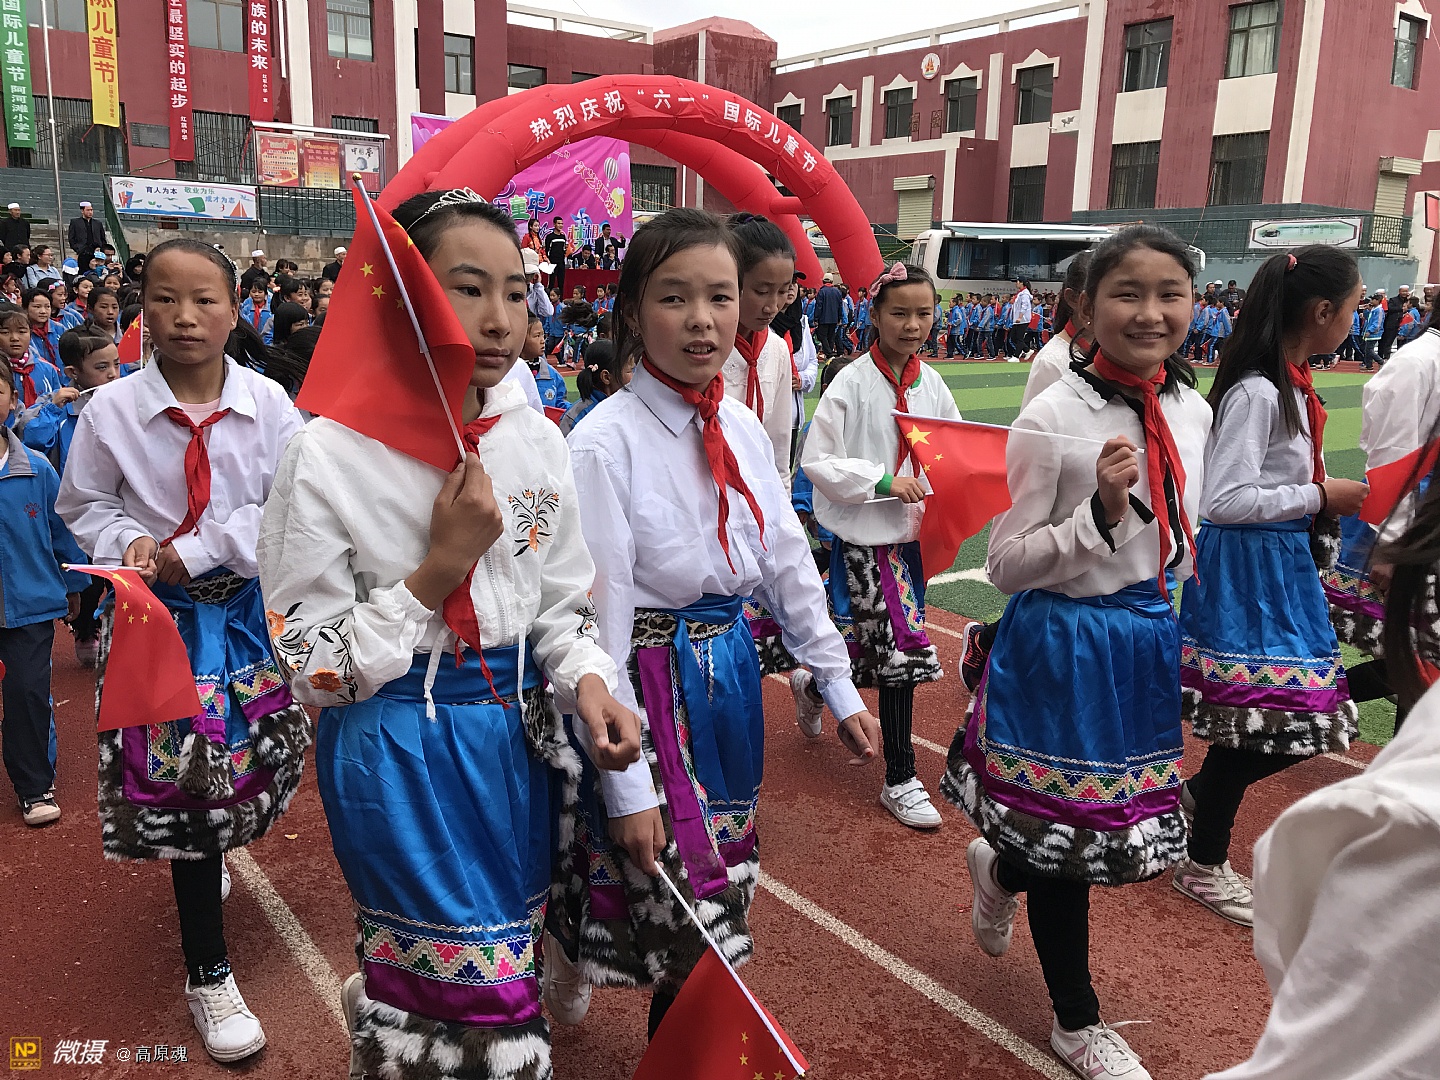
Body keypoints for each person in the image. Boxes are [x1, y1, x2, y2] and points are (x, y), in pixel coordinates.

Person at [257, 187, 640, 1080]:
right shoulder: (329, 452)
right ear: (404, 297)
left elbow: (560, 596)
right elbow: (310, 665)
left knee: (495, 959)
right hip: (400, 746)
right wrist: (438, 570)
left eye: (515, 291)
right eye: (468, 288)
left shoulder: (533, 438)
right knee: (486, 1017)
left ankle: (385, 1004)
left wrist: (588, 679)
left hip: (515, 739)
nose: (500, 318)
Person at [551, 206, 879, 1040]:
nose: (702, 320)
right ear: (633, 313)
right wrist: (627, 783)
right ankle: (575, 951)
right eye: (674, 298)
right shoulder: (603, 445)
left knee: (722, 877)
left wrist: (836, 682)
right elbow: (601, 624)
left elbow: (786, 559)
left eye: (720, 297)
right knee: (681, 904)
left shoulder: (737, 424)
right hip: (649, 682)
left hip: (727, 673)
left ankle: (576, 946)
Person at [943, 225, 1210, 1080]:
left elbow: (1185, 537)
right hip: (1067, 642)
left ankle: (1000, 868)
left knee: (1102, 831)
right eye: (1128, 293)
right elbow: (1005, 563)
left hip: (1142, 641)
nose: (1151, 312)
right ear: (1087, 307)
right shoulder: (1056, 414)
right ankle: (1075, 1021)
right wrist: (1100, 516)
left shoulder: (1190, 410)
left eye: (1170, 293)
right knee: (1071, 843)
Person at [54, 238, 309, 1063]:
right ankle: (209, 972)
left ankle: (216, 844)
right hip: (157, 625)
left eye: (204, 299)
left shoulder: (268, 404)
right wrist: (127, 541)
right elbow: (83, 504)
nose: (185, 316)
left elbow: (290, 506)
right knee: (187, 790)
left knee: (255, 762)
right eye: (164, 299)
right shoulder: (111, 412)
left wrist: (194, 550)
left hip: (243, 615)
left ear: (236, 310)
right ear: (143, 311)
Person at [1203, 446, 1440, 1080]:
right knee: (1283, 708)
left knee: (1303, 709)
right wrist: (1334, 504)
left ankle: (1200, 817)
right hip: (1266, 560)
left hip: (1291, 552)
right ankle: (1201, 834)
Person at [1176, 247, 1368, 928]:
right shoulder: (1260, 391)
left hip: (1275, 564)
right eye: (1352, 309)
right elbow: (1223, 500)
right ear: (1321, 312)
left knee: (1285, 716)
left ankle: (1198, 811)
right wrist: (1320, 494)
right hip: (1250, 568)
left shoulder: (1289, 382)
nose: (1354, 321)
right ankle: (1203, 857)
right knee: (1270, 718)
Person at [802, 262, 961, 830]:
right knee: (900, 655)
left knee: (869, 646)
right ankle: (901, 776)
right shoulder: (850, 383)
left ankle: (814, 683)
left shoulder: (931, 384)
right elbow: (818, 458)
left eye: (924, 313)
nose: (913, 325)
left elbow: (950, 446)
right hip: (866, 543)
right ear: (873, 314)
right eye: (899, 313)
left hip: (908, 544)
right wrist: (884, 480)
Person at [1322, 304, 1440, 732]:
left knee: (1420, 663)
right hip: (1413, 533)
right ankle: (1312, 706)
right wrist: (1392, 546)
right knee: (1418, 660)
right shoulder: (1419, 362)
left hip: (1427, 528)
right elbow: (1391, 459)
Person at [0, 352, 87, 826]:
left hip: (28, 604)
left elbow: (61, 533)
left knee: (27, 693)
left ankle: (34, 786)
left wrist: (72, 584)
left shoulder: (35, 469)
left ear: (14, 400)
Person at [15, 329, 121, 667]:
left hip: (119, 506)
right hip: (76, 511)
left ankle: (115, 629)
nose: (113, 374)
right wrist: (52, 407)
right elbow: (32, 439)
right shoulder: (60, 411)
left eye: (117, 365)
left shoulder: (123, 403)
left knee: (120, 572)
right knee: (87, 578)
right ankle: (85, 628)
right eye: (102, 367)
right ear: (74, 372)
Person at [721, 214, 798, 483]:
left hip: (759, 489)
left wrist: (781, 498)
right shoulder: (706, 348)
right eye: (762, 291)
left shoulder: (776, 350)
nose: (772, 306)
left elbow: (779, 443)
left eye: (783, 291)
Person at [558, 338, 633, 436]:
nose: (634, 376)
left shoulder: (630, 406)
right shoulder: (576, 417)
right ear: (606, 377)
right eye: (629, 371)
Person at [523, 311, 568, 409]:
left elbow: (560, 403)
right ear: (520, 339)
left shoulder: (552, 375)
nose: (542, 340)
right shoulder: (509, 373)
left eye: (543, 335)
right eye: (537, 336)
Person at [813, 273, 843, 357]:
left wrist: (816, 318)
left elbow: (819, 306)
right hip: (834, 318)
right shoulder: (837, 292)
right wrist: (839, 317)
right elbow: (840, 306)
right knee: (831, 336)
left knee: (822, 336)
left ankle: (828, 352)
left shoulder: (822, 292)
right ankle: (830, 352)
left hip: (823, 318)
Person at [1379, 283, 1412, 361]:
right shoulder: (1393, 300)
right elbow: (1390, 308)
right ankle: (1385, 357)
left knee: (1401, 344)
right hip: (1392, 324)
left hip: (1403, 325)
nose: (1404, 293)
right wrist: (1401, 309)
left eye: (1406, 291)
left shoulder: (1409, 301)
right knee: (1388, 342)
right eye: (1403, 291)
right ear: (1399, 291)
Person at [239, 280, 274, 345]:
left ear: (265, 293)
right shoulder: (246, 309)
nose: (256, 294)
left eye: (260, 292)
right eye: (253, 292)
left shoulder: (271, 308)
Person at [545, 216, 569, 297]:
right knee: (551, 282)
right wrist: (548, 260)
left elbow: (564, 249)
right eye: (558, 223)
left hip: (561, 263)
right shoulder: (549, 237)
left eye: (562, 223)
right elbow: (546, 250)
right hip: (552, 263)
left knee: (561, 282)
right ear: (554, 224)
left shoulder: (563, 237)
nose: (560, 225)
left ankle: (560, 299)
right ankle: (549, 299)